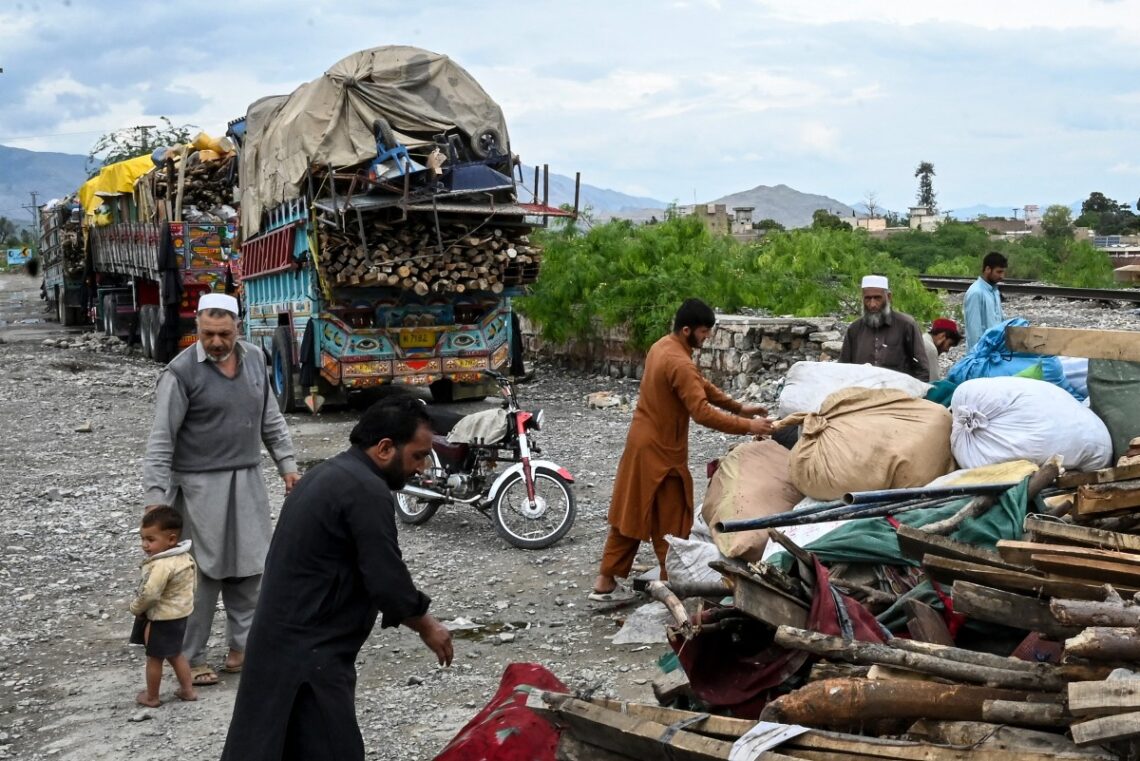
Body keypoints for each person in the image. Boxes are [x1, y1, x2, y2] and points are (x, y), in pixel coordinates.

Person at [219, 396, 453, 761]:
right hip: (309, 653)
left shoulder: (329, 475)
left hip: (283, 643)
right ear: (385, 448)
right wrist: (427, 625)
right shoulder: (365, 491)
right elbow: (386, 579)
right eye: (418, 456)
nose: (421, 468)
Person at [142, 292, 299, 688]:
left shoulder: (255, 360)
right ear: (197, 327)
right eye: (208, 333)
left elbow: (271, 419)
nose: (215, 342)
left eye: (223, 333)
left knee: (249, 568)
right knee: (198, 575)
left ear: (237, 328)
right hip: (197, 486)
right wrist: (156, 502)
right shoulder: (179, 374)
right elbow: (161, 440)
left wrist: (288, 467)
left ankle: (242, 648)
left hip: (246, 479)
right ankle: (189, 656)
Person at [590, 299, 773, 601]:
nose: (707, 338)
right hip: (662, 452)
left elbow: (700, 385)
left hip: (643, 444)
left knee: (631, 512)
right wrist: (748, 426)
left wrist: (739, 407)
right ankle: (671, 583)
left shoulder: (663, 347)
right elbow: (701, 410)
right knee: (672, 518)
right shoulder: (679, 361)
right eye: (703, 332)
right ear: (687, 329)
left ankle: (606, 580)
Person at [129, 506, 197, 707]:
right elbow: (193, 585)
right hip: (180, 614)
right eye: (143, 539)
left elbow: (149, 593)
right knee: (176, 654)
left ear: (171, 539)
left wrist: (136, 608)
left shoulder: (161, 565)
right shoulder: (185, 557)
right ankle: (188, 690)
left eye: (151, 540)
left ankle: (152, 696)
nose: (145, 545)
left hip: (161, 617)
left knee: (154, 658)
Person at [838, 275, 929, 382]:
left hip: (898, 394)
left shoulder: (906, 325)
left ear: (888, 297)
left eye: (877, 298)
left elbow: (922, 370)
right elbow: (843, 369)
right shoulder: (854, 329)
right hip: (862, 394)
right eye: (868, 298)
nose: (872, 304)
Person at [963, 252, 1007, 349]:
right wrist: (980, 358)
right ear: (987, 269)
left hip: (995, 352)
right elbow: (974, 332)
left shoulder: (995, 291)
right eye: (999, 272)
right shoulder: (976, 292)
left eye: (1003, 272)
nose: (1002, 276)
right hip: (982, 355)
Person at [922, 318, 962, 382]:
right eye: (949, 344)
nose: (947, 350)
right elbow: (933, 383)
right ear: (942, 336)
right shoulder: (930, 349)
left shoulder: (922, 339)